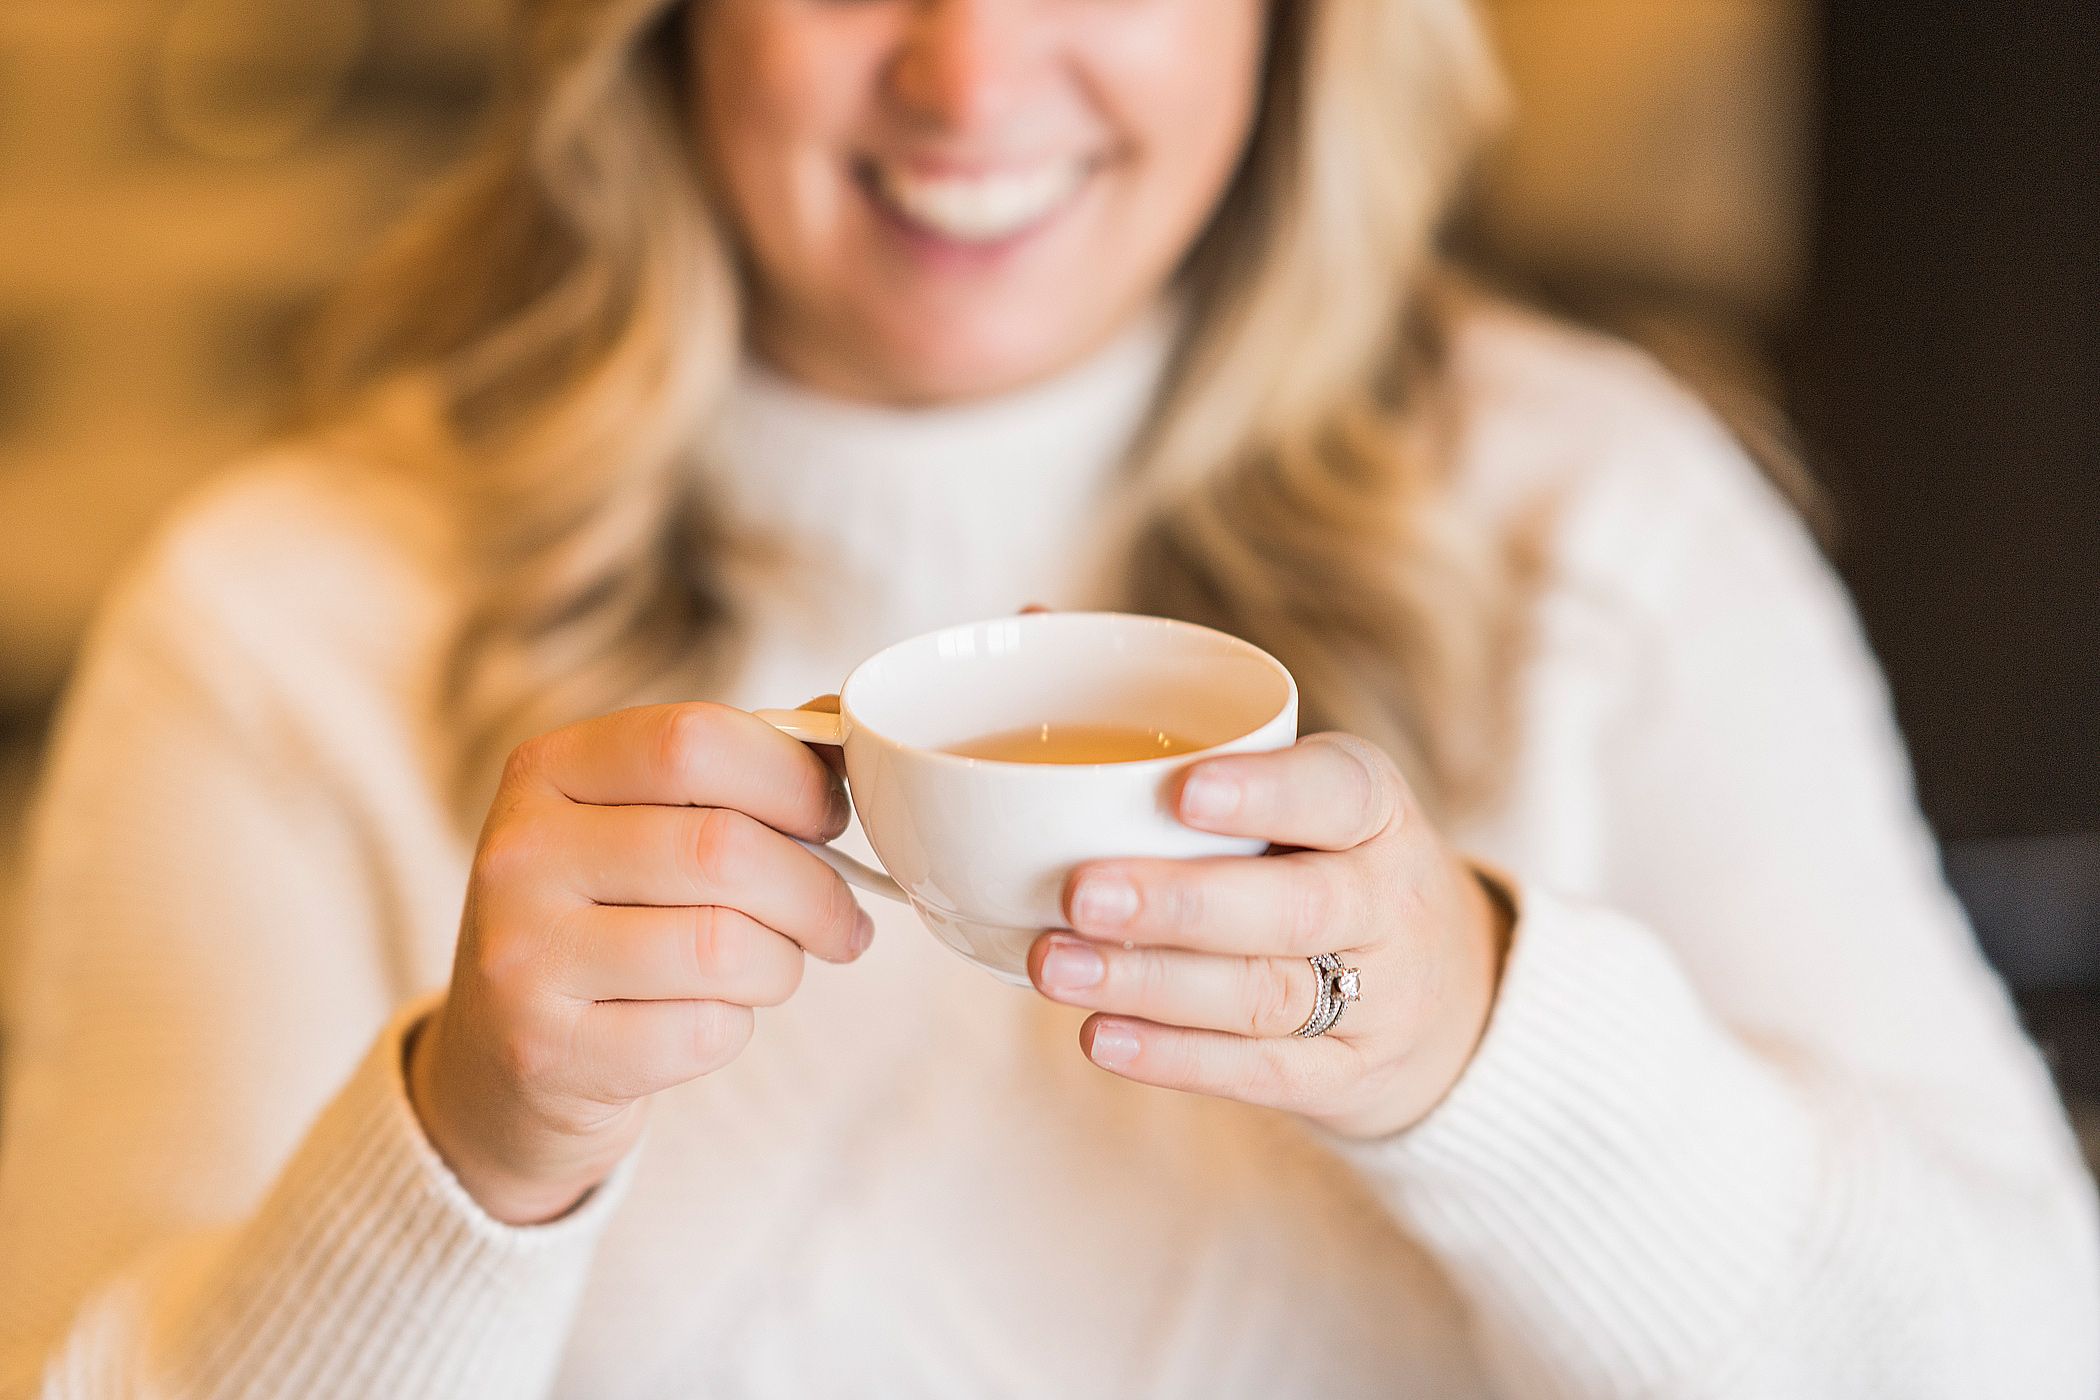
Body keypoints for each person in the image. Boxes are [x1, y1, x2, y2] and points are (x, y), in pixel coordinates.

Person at [2, 0, 2094, 1394]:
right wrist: (467, 1148)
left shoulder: (1592, 526)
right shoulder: (287, 627)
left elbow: (2027, 1348)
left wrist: (1483, 1037)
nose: (971, 80)